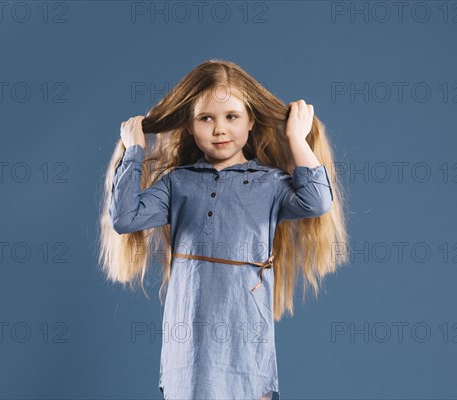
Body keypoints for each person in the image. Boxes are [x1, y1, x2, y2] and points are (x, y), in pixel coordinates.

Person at [98, 59, 349, 400]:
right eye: (206, 118)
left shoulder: (270, 184)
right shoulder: (178, 183)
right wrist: (133, 151)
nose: (219, 129)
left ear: (250, 121)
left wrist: (296, 138)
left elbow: (317, 201)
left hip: (245, 333)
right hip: (189, 338)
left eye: (231, 116)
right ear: (190, 125)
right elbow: (125, 217)